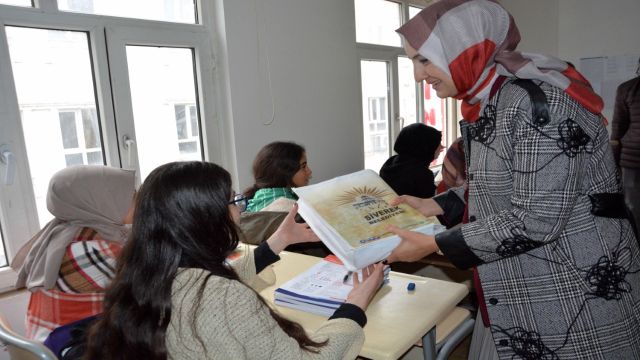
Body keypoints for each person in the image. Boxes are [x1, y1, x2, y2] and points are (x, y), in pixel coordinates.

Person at [385, 1, 640, 359]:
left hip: (570, 286)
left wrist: (434, 245)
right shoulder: (491, 101)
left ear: (466, 51)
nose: (416, 75)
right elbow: (498, 184)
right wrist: (433, 204)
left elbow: (537, 218)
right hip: (528, 279)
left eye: (424, 60)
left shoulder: (537, 105)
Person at [83, 161, 385, 360]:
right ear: (205, 219)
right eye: (233, 201)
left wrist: (277, 242)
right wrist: (355, 304)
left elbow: (212, 284)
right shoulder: (224, 298)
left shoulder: (140, 273)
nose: (240, 209)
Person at [11, 165, 136, 341]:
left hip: (60, 341)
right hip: (69, 348)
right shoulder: (88, 249)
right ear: (101, 202)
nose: (139, 201)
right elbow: (148, 284)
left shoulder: (65, 230)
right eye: (130, 196)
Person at [611, 58, 640, 232]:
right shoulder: (627, 88)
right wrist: (614, 162)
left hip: (629, 160)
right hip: (632, 162)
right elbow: (618, 127)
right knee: (634, 208)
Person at [379, 123, 443, 198]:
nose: (442, 147)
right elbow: (430, 204)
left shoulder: (390, 163)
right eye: (438, 144)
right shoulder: (422, 174)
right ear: (426, 147)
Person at [245, 141, 312, 212]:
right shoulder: (289, 208)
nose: (309, 172)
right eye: (303, 166)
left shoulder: (257, 201)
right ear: (284, 171)